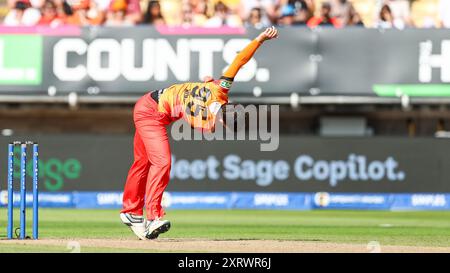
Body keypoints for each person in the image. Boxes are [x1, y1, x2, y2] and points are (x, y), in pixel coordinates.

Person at [120, 26, 279, 240]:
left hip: (150, 105)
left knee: (143, 163)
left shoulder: (219, 92)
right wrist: (259, 39)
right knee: (162, 162)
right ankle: (153, 217)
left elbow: (229, 70)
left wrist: (207, 81)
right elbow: (240, 59)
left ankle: (131, 212)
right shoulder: (219, 94)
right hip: (151, 112)